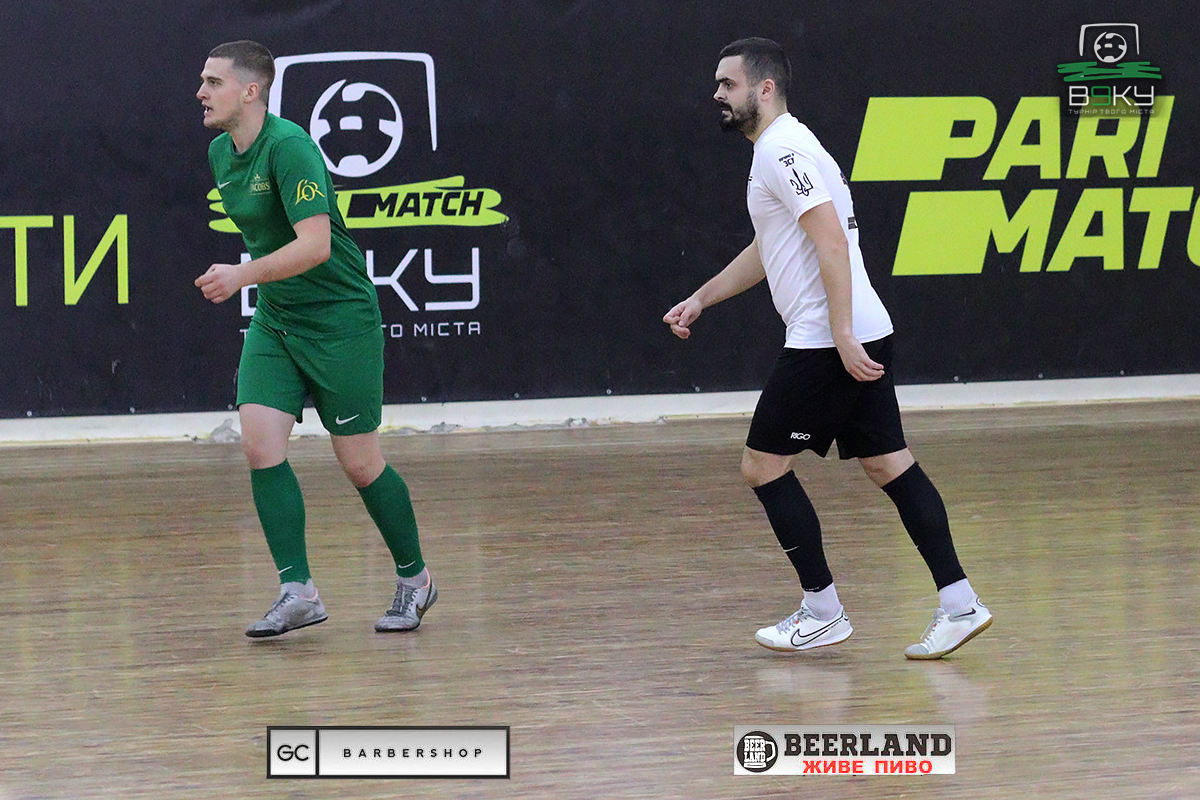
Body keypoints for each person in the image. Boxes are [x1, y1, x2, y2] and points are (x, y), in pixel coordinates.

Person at [663, 37, 991, 659]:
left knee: (762, 466)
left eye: (728, 84)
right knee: (888, 463)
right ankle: (960, 603)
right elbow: (770, 247)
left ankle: (822, 611)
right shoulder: (786, 147)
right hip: (858, 328)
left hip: (826, 339)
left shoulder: (781, 150)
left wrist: (839, 333)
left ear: (764, 89)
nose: (717, 94)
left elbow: (832, 242)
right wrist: (704, 297)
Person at [194, 40, 436, 638]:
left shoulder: (292, 148)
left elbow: (316, 246)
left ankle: (416, 580)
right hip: (278, 319)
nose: (201, 92)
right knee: (259, 445)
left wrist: (241, 275)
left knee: (359, 462)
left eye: (213, 82)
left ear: (251, 91)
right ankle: (298, 591)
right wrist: (257, 283)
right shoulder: (221, 152)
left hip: (340, 320)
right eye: (203, 81)